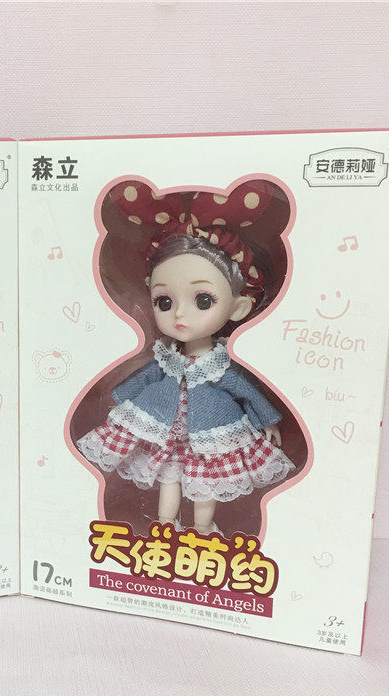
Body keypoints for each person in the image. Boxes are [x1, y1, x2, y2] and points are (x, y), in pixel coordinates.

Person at [76, 182, 294, 535]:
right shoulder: (166, 357)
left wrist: (266, 420)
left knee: (206, 483)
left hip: (212, 433)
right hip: (167, 431)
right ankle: (165, 526)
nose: (179, 314)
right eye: (164, 301)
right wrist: (117, 401)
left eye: (203, 301)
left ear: (239, 307)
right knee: (169, 478)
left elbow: (244, 390)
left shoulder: (219, 365)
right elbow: (145, 378)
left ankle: (203, 529)